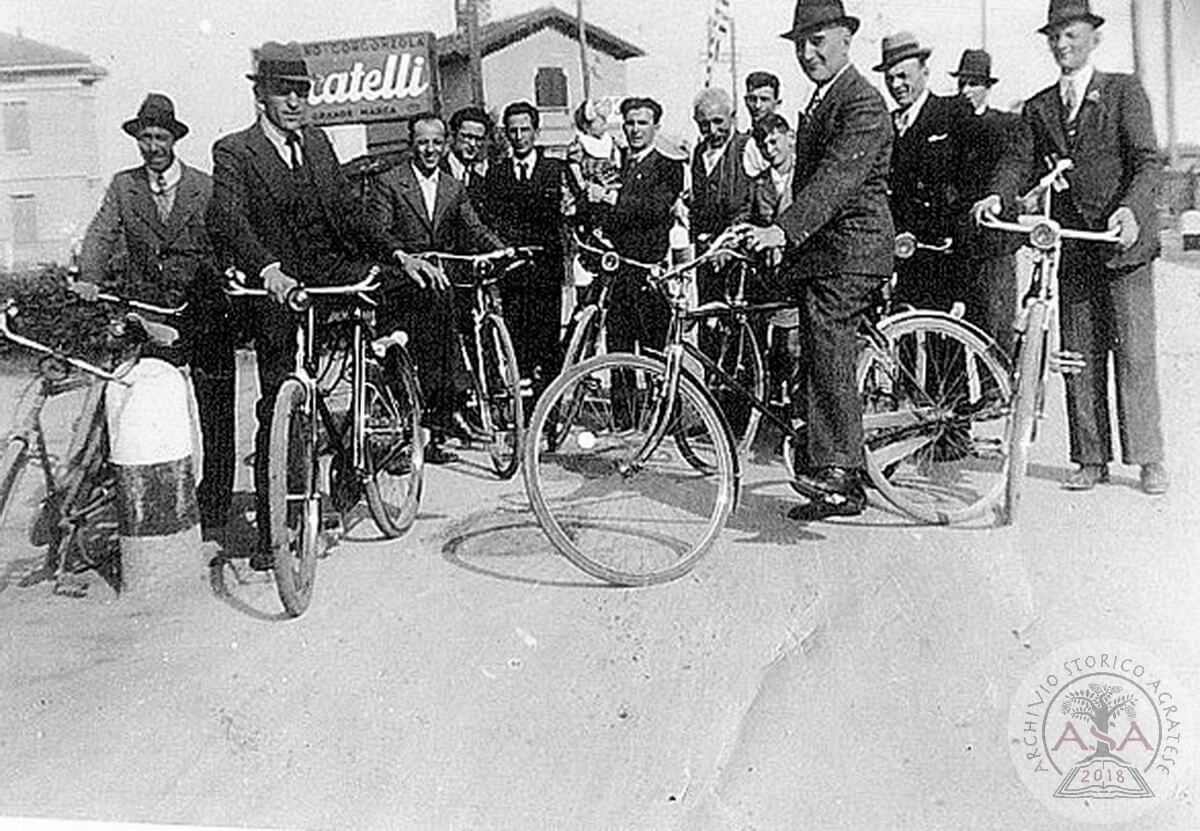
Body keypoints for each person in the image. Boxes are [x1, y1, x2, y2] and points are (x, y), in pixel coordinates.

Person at [206, 42, 442, 570]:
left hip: (330, 272)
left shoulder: (317, 145)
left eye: (302, 93)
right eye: (283, 92)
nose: (294, 102)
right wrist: (267, 270)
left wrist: (398, 252)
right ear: (260, 95)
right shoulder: (235, 151)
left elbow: (348, 213)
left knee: (410, 289)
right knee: (278, 403)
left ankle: (375, 417)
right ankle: (276, 533)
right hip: (277, 285)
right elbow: (227, 219)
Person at [979, 0, 1166, 494]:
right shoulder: (1040, 107)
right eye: (1055, 37)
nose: (1062, 45)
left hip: (1123, 246)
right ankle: (1090, 458)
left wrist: (1131, 210)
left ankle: (1149, 459)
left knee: (1134, 353)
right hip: (1074, 248)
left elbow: (1149, 162)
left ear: (1093, 38)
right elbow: (1018, 162)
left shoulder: (1123, 91)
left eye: (1071, 35)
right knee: (1078, 354)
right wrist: (998, 194)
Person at [741, 0, 894, 518]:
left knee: (826, 324)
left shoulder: (862, 103)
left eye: (818, 41)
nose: (808, 53)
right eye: (801, 44)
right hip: (824, 250)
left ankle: (838, 467)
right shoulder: (821, 101)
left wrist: (783, 230)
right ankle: (835, 475)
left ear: (847, 39)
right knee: (799, 331)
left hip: (855, 247)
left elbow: (835, 182)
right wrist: (763, 232)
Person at [78, 93, 235, 543]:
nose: (152, 146)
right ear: (137, 141)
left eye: (160, 137)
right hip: (150, 311)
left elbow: (227, 237)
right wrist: (90, 276)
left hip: (203, 310)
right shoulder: (124, 186)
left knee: (216, 408)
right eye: (145, 138)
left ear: (174, 140)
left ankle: (216, 502)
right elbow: (102, 233)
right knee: (135, 397)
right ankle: (137, 493)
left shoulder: (204, 187)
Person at [371, 112, 507, 464]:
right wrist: (406, 260)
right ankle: (405, 438)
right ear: (410, 144)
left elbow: (472, 226)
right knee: (399, 361)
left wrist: (501, 249)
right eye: (423, 142)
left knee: (443, 323)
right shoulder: (390, 182)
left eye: (436, 142)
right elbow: (379, 232)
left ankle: (436, 428)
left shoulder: (452, 186)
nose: (430, 149)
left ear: (445, 143)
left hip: (435, 285)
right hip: (400, 280)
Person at [478, 101, 568, 403]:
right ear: (505, 134)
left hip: (546, 271)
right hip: (513, 273)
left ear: (536, 132)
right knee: (518, 343)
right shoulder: (496, 174)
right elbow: (490, 219)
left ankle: (550, 411)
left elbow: (570, 213)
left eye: (525, 130)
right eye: (512, 131)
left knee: (547, 342)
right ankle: (525, 409)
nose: (519, 136)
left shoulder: (556, 170)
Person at [875, 31, 971, 313]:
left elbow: (968, 187)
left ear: (925, 72)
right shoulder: (888, 126)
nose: (896, 85)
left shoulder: (952, 114)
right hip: (905, 258)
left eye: (904, 76)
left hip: (947, 260)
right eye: (890, 78)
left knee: (946, 350)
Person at [949, 49, 1033, 357]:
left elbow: (1013, 169)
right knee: (963, 327)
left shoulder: (1006, 125)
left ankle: (997, 395)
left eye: (973, 83)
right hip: (962, 242)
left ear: (987, 86)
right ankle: (969, 400)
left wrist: (997, 198)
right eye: (962, 84)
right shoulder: (953, 127)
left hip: (995, 242)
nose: (966, 91)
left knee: (997, 324)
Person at [604, 96, 686, 356]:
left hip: (649, 273)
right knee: (619, 354)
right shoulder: (619, 164)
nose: (635, 129)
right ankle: (623, 399)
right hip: (619, 275)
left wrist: (612, 198)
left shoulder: (669, 166)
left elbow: (655, 208)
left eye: (643, 123)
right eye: (630, 123)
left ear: (656, 127)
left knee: (655, 354)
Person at [445, 106, 492, 207]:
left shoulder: (483, 178)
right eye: (467, 137)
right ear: (453, 135)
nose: (473, 144)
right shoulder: (437, 171)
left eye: (478, 139)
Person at [741, 71, 783, 178]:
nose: (757, 106)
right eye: (752, 99)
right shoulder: (739, 145)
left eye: (764, 99)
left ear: (777, 103)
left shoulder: (787, 142)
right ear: (746, 102)